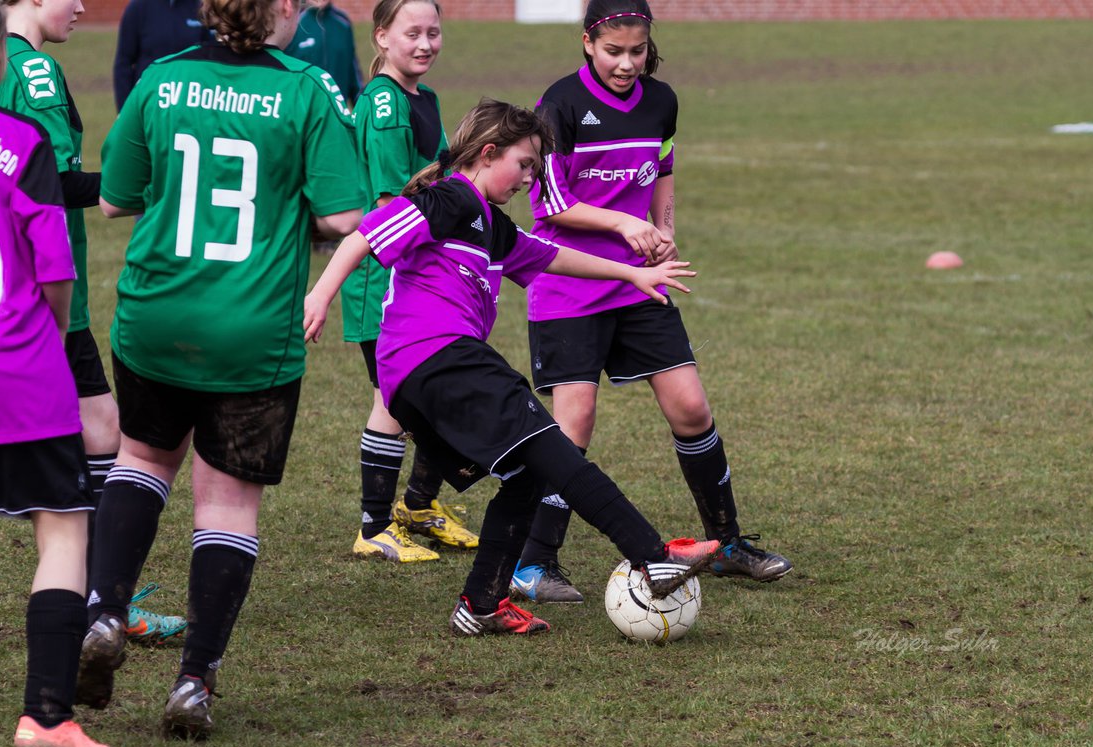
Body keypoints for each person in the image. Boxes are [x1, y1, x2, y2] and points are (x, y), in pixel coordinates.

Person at [303, 98, 730, 637]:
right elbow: (366, 233)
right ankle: (652, 555)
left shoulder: (490, 224)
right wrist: (319, 295)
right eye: (524, 165)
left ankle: (481, 603)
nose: (530, 179)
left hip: (418, 377)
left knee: (529, 475)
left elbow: (550, 256)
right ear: (487, 153)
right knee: (556, 449)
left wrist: (631, 275)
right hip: (438, 356)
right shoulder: (450, 198)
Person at [77, 0, 364, 739]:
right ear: (279, 13)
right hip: (252, 330)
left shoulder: (164, 80)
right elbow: (342, 217)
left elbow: (113, 198)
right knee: (228, 507)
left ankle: (105, 611)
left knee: (141, 461)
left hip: (156, 317)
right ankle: (194, 682)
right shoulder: (305, 88)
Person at [512, 0, 791, 604]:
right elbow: (551, 206)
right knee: (574, 423)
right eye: (614, 52)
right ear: (588, 43)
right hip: (570, 285)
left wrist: (664, 231)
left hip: (639, 280)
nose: (627, 63)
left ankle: (728, 544)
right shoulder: (557, 104)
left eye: (637, 51)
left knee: (691, 406)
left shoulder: (660, 101)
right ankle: (534, 564)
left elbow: (662, 170)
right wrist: (621, 224)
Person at [0, 0, 128, 747]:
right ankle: (47, 718)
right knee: (62, 528)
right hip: (16, 370)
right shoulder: (19, 140)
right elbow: (56, 277)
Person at [0, 0, 187, 643]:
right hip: (46, 286)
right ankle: (101, 596)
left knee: (95, 427)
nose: (79, 6)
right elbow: (55, 181)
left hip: (6, 284)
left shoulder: (2, 66)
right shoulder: (37, 70)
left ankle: (94, 589)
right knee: (103, 428)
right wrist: (148, 186)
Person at [344, 0, 479, 564]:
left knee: (433, 397)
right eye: (412, 33)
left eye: (433, 32)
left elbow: (438, 177)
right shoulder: (383, 101)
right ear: (382, 36)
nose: (425, 44)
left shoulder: (424, 98)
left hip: (420, 273)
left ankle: (418, 506)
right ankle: (374, 527)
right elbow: (389, 201)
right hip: (383, 277)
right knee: (395, 402)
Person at [111, 0, 211, 112]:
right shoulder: (138, 7)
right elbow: (123, 63)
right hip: (149, 102)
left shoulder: (199, 7)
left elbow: (210, 59)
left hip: (188, 104)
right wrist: (124, 110)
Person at [285, 0, 360, 106]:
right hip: (303, 115)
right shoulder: (293, 23)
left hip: (337, 115)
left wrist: (361, 111)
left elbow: (353, 74)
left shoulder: (343, 24)